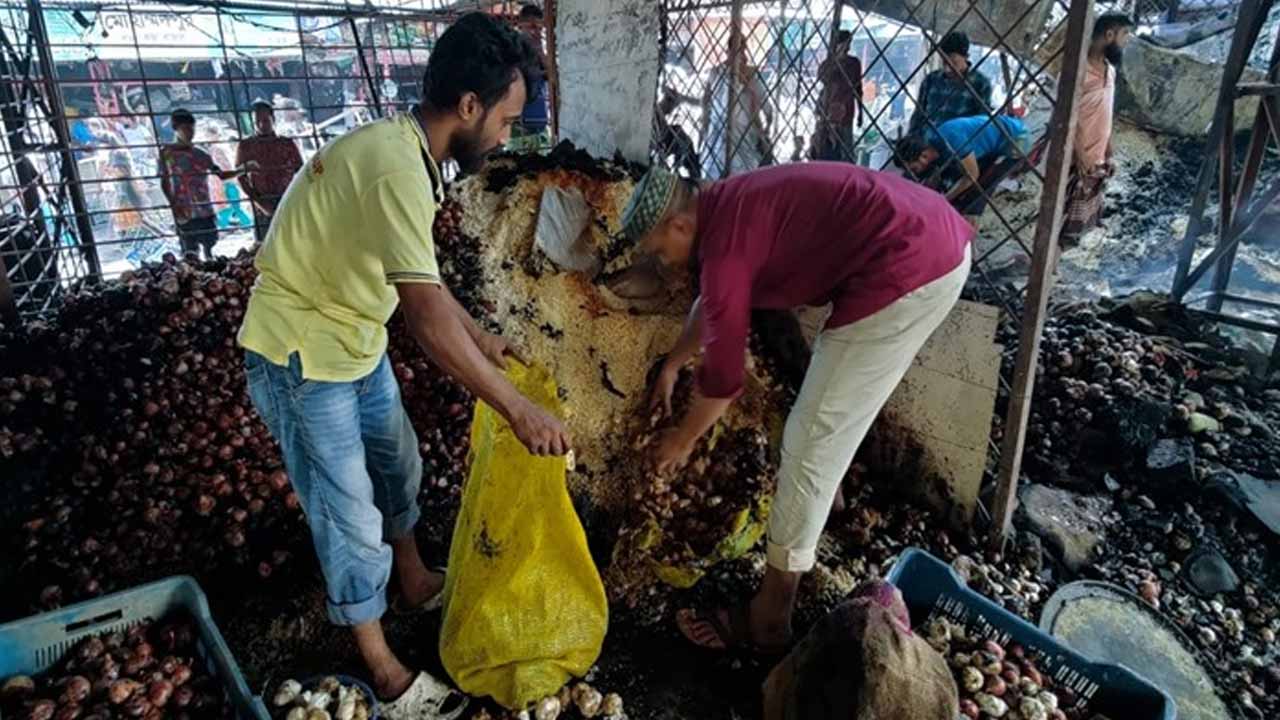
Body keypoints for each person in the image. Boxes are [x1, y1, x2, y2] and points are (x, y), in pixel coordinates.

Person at [237, 13, 565, 719]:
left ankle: (412, 580)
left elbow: (424, 282)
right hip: (302, 354)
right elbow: (423, 318)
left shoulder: (410, 155)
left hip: (352, 338)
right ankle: (384, 673)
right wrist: (516, 407)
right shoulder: (395, 168)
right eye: (506, 121)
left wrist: (481, 337)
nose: (505, 137)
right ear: (469, 106)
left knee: (398, 464)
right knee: (348, 513)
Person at [620, 162, 972, 653]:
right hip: (930, 232)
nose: (664, 262)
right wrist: (674, 364)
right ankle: (826, 498)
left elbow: (723, 385)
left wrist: (680, 442)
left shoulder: (723, 247)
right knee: (835, 403)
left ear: (679, 226)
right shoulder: (724, 204)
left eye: (660, 250)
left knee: (809, 440)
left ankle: (769, 615)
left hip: (911, 265)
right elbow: (713, 302)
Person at [1062, 14, 1131, 248]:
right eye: (1124, 34)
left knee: (1076, 227)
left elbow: (1104, 112)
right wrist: (1080, 152)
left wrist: (1108, 151)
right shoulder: (1077, 70)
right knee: (1059, 219)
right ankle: (1042, 263)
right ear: (1109, 35)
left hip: (1096, 160)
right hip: (1074, 159)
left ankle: (1054, 263)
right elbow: (1065, 116)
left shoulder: (1109, 71)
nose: (1127, 41)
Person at [159, 108, 255, 260]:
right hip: (184, 211)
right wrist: (174, 205)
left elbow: (221, 175)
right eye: (185, 129)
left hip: (205, 211)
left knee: (210, 249)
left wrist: (243, 169)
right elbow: (164, 182)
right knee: (190, 253)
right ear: (176, 129)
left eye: (192, 128)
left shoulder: (201, 154)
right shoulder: (167, 154)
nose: (190, 133)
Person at [893, 113, 1028, 207]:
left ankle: (1014, 183)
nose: (915, 173)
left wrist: (944, 199)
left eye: (915, 168)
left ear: (923, 156)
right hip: (995, 138)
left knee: (980, 187)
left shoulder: (951, 140)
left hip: (1016, 137)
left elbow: (972, 176)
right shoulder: (934, 143)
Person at [236, 100, 305, 243]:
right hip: (262, 203)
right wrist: (259, 202)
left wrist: (295, 198)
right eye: (257, 121)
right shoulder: (246, 146)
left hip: (288, 200)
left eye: (266, 120)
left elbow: (301, 172)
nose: (262, 125)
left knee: (292, 242)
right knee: (266, 246)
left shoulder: (286, 144)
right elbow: (241, 177)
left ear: (273, 119)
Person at [700, 52, 772, 178]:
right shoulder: (752, 83)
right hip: (737, 137)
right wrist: (765, 128)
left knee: (718, 170)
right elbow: (768, 111)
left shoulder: (717, 76)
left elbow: (705, 102)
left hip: (725, 137)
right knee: (741, 174)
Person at [909, 31, 993, 135]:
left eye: (953, 62)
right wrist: (911, 137)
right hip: (926, 142)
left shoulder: (980, 84)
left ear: (966, 57)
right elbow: (918, 115)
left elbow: (981, 125)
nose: (947, 68)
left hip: (958, 143)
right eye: (944, 62)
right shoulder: (931, 80)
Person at [812, 30, 862, 162]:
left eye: (849, 43)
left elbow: (858, 87)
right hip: (829, 109)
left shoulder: (854, 63)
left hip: (846, 109)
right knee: (826, 144)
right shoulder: (828, 64)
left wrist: (861, 112)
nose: (848, 46)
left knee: (846, 146)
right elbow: (823, 79)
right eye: (846, 43)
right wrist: (836, 61)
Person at [511, 3, 550, 152]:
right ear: (520, 26)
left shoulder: (538, 52)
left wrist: (540, 51)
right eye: (532, 27)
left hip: (540, 123)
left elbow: (552, 77)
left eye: (540, 28)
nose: (536, 33)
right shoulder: (513, 50)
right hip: (518, 126)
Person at [655, 88, 701, 178]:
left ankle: (691, 171)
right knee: (679, 134)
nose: (672, 111)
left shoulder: (660, 115)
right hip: (659, 144)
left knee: (680, 135)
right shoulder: (657, 113)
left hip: (665, 142)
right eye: (673, 107)